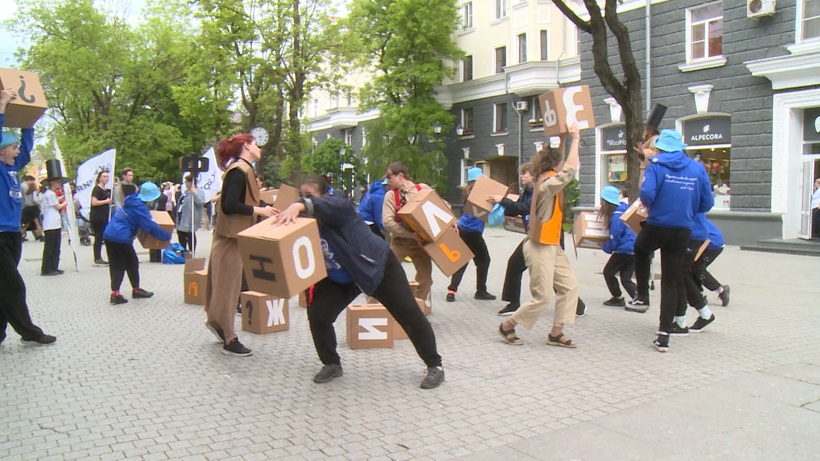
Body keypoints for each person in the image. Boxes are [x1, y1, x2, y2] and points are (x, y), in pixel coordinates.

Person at [275, 176, 445, 389]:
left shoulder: (340, 208)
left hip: (378, 268)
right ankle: (331, 363)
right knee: (318, 314)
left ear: (324, 196)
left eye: (310, 196)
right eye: (301, 196)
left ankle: (435, 366)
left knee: (408, 314)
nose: (304, 201)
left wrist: (301, 204)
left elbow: (336, 205)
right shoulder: (304, 223)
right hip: (343, 277)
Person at [629, 129, 713, 352]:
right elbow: (707, 202)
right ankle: (664, 335)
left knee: (640, 248)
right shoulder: (697, 168)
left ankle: (642, 296)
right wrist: (687, 209)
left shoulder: (656, 164)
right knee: (670, 281)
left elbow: (647, 195)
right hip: (683, 229)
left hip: (658, 224)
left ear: (662, 148)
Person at [498, 123, 581, 348]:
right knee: (542, 297)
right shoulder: (546, 184)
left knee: (570, 287)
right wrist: (575, 139)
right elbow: (569, 170)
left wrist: (562, 141)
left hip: (552, 244)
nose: (562, 165)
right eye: (559, 163)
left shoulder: (545, 174)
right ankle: (507, 326)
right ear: (554, 166)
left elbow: (559, 161)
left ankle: (556, 333)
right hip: (539, 246)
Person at [205, 133, 276, 357]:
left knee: (228, 286)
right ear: (246, 146)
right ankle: (229, 338)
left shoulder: (242, 169)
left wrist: (267, 207)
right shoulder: (238, 171)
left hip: (234, 237)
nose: (259, 148)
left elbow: (246, 201)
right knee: (228, 288)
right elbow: (228, 205)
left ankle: (218, 324)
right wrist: (259, 210)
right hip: (230, 239)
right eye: (255, 143)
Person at [0, 89, 57, 346]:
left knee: (3, 287)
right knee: (13, 286)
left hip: (12, 234)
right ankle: (29, 332)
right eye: (12, 147)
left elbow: (26, 146)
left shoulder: (12, 169)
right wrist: (2, 105)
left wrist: (28, 121)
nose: (17, 151)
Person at [102, 182, 170, 304]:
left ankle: (116, 292)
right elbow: (149, 226)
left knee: (116, 264)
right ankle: (134, 290)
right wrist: (166, 236)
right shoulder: (140, 208)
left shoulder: (131, 199)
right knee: (131, 263)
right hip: (121, 237)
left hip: (109, 234)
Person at [382, 161, 434, 302]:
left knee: (425, 279)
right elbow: (387, 222)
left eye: (389, 176)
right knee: (384, 275)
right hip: (400, 242)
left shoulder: (421, 189)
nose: (387, 181)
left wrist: (452, 224)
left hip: (421, 244)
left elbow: (441, 206)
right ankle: (370, 310)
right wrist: (410, 235)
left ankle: (416, 309)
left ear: (400, 176)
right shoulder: (391, 196)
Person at [446, 167, 496, 302]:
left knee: (462, 261)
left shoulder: (468, 193)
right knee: (484, 261)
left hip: (462, 230)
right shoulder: (480, 195)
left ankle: (451, 290)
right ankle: (481, 291)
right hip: (473, 233)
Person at [490, 162, 534, 316]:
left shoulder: (539, 191)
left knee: (555, 276)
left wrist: (503, 200)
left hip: (547, 239)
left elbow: (525, 208)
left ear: (534, 174)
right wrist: (499, 208)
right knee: (514, 264)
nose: (521, 176)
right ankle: (513, 303)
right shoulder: (527, 191)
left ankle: (576, 305)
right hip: (533, 237)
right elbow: (517, 208)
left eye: (524, 173)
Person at [598, 185, 637, 307]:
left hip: (624, 250)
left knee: (608, 272)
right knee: (626, 278)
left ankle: (618, 297)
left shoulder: (616, 217)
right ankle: (639, 298)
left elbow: (615, 238)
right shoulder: (624, 209)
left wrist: (605, 247)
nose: (601, 204)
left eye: (602, 201)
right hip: (633, 249)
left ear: (607, 202)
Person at [690, 213, 730, 309]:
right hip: (711, 242)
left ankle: (720, 289)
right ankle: (699, 296)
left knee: (697, 268)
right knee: (693, 267)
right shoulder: (692, 211)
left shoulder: (691, 214)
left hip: (713, 244)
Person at [40, 170, 68, 276]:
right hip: (50, 223)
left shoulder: (52, 194)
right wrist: (66, 202)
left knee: (55, 246)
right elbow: (57, 206)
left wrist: (64, 197)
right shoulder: (50, 194)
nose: (59, 184)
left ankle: (53, 266)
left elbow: (57, 200)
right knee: (50, 247)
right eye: (57, 182)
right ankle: (47, 268)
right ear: (52, 183)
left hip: (54, 223)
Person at [175, 174, 206, 252]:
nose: (185, 184)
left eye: (186, 182)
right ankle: (183, 251)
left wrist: (194, 193)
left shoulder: (198, 191)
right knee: (181, 233)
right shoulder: (186, 192)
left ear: (191, 182)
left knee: (190, 234)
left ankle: (192, 251)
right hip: (182, 217)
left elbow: (201, 202)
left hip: (191, 218)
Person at [90, 170, 113, 265]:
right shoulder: (97, 189)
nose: (106, 178)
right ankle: (97, 257)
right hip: (97, 216)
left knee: (103, 236)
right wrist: (106, 201)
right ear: (99, 178)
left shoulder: (106, 190)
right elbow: (94, 202)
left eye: (107, 177)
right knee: (99, 237)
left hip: (104, 215)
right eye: (104, 177)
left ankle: (102, 256)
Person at [20, 175, 43, 241]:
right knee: (37, 222)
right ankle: (40, 235)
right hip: (33, 207)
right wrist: (39, 204)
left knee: (27, 223)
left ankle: (21, 234)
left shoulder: (26, 191)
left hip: (27, 207)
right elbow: (35, 200)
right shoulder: (33, 191)